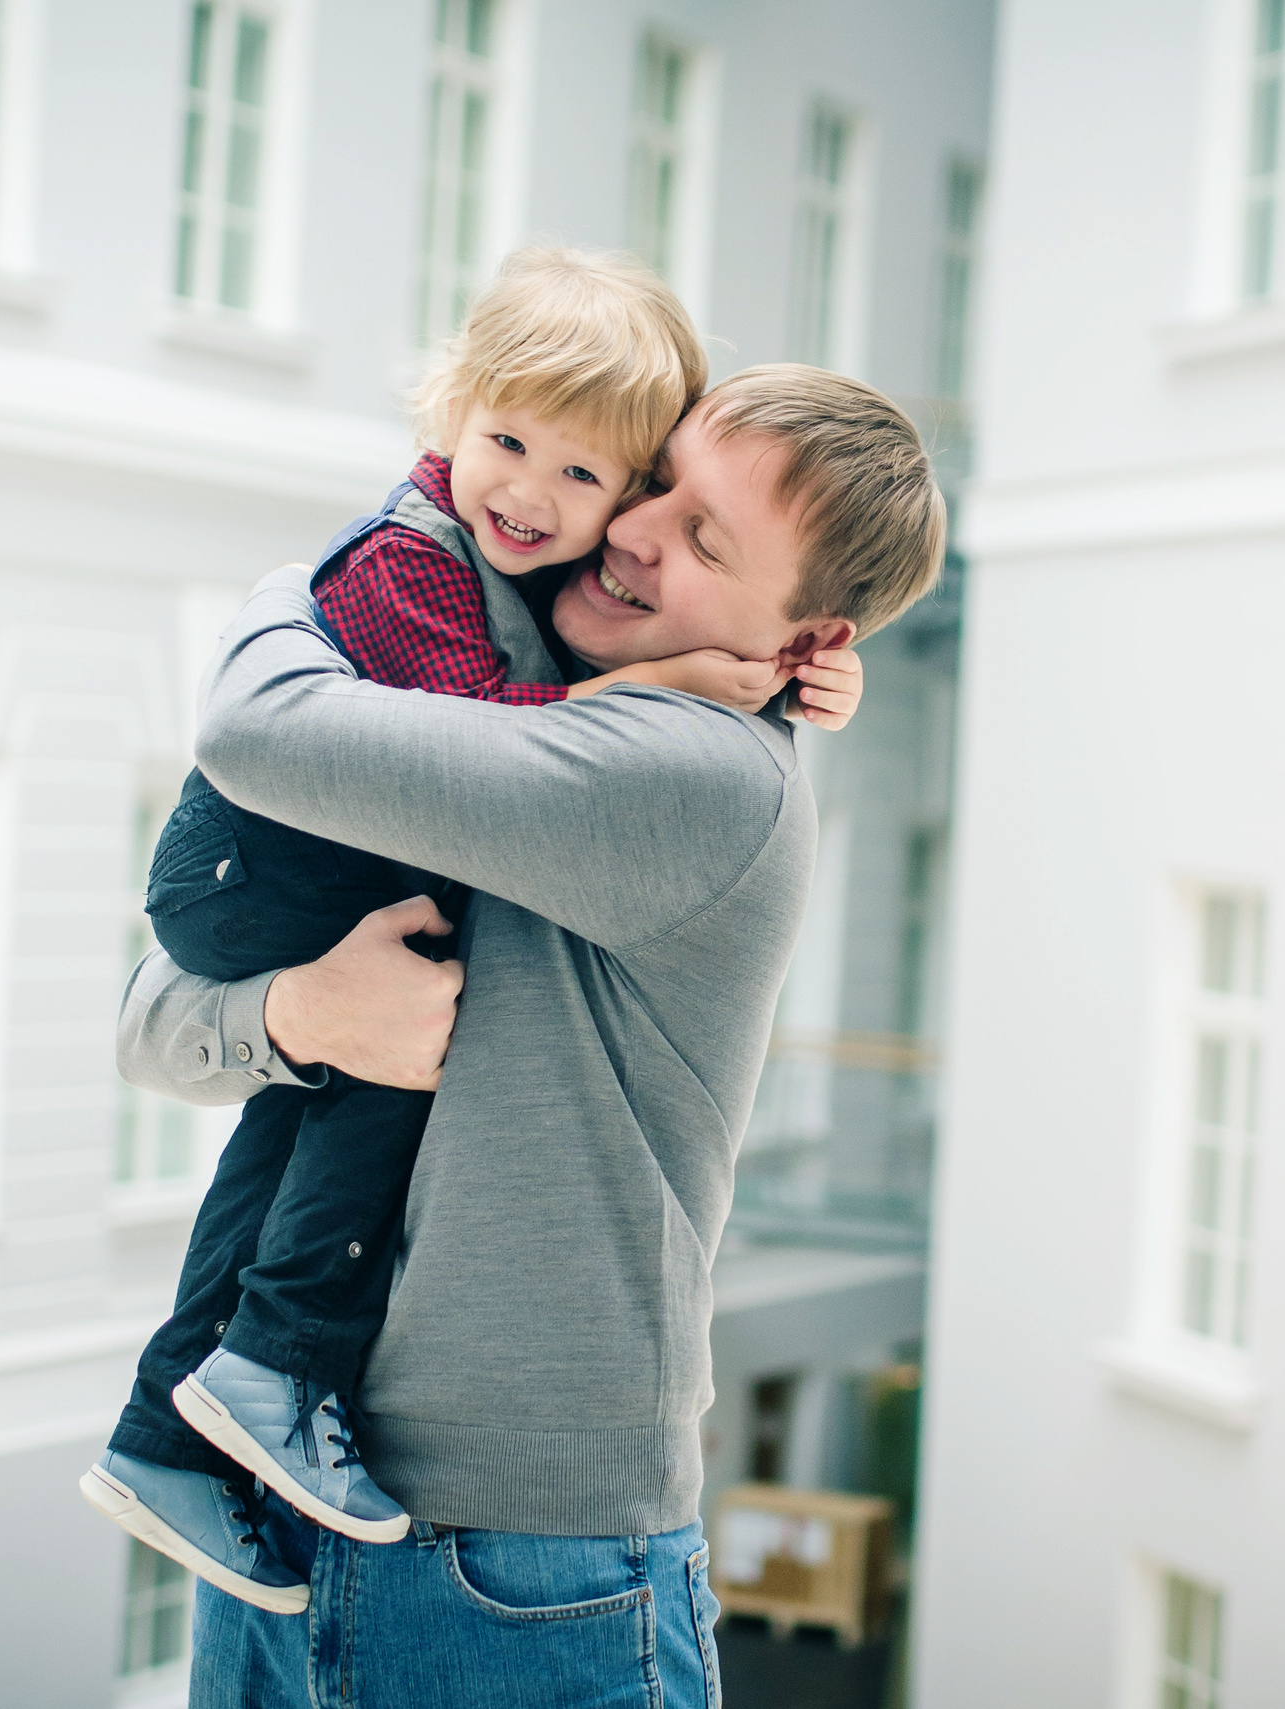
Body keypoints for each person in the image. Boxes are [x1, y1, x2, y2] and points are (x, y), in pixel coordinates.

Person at [119, 362, 946, 1707]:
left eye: (704, 538)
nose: (632, 527)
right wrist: (298, 1015)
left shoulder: (693, 773)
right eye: (657, 477)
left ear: (808, 637)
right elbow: (147, 1019)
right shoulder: (514, 684)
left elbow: (254, 725)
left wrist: (310, 579)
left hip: (514, 1574)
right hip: (278, 1516)